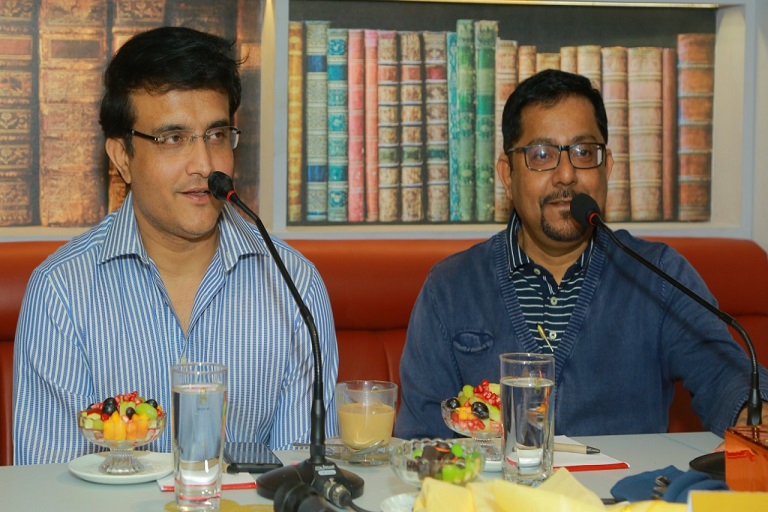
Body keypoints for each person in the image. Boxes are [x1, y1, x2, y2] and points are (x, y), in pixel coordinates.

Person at [12, 26, 339, 464]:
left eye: (216, 135)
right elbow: (48, 486)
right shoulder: (61, 293)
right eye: (173, 138)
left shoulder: (294, 284)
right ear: (122, 157)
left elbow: (301, 477)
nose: (203, 164)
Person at [394, 69, 768, 440]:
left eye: (584, 152)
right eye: (542, 154)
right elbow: (421, 439)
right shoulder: (450, 287)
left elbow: (726, 375)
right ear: (508, 174)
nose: (566, 175)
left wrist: (756, 413)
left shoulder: (658, 274)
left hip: (631, 482)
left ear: (608, 168)